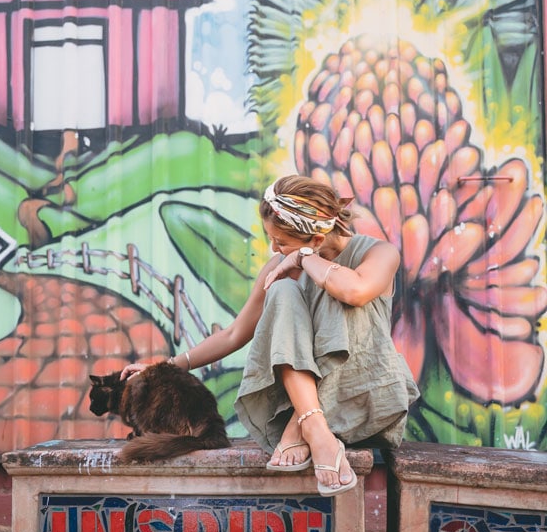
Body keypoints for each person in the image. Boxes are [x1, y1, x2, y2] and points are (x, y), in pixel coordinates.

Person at [121, 175, 419, 496]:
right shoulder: (279, 265)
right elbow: (235, 333)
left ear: (316, 240)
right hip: (304, 408)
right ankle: (314, 426)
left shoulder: (379, 253)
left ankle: (303, 423)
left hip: (362, 398)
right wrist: (165, 367)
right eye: (271, 238)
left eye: (281, 241)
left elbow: (356, 291)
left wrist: (304, 258)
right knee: (282, 290)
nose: (274, 248)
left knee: (339, 289)